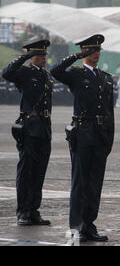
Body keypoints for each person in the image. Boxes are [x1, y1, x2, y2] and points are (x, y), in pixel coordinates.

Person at [51, 34, 115, 242]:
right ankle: (76, 227)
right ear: (85, 53)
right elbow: (55, 71)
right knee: (80, 182)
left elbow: (109, 110)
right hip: (83, 132)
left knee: (95, 183)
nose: (95, 54)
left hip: (100, 133)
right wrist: (76, 56)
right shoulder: (76, 74)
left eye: (97, 51)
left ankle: (89, 225)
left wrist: (109, 138)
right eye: (91, 51)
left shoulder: (106, 77)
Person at [1, 39, 53, 226]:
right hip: (30, 127)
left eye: (44, 54)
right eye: (39, 55)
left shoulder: (46, 75)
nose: (43, 58)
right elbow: (6, 73)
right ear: (32, 56)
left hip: (45, 127)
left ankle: (33, 211)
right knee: (26, 172)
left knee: (39, 172)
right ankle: (23, 211)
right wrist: (25, 57)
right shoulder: (24, 72)